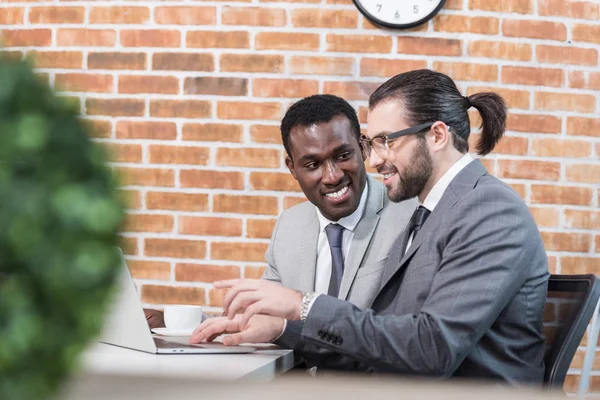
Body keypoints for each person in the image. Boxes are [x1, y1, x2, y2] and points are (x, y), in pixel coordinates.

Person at [190, 69, 550, 385]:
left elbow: (432, 351)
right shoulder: (432, 214)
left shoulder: (489, 210)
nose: (375, 159)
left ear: (437, 136)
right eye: (373, 144)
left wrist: (303, 304)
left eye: (386, 142)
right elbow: (383, 345)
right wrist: (285, 329)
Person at [144, 94, 416, 328]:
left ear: (362, 148)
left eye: (343, 156)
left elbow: (409, 329)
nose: (332, 176)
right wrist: (179, 325)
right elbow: (260, 318)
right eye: (312, 165)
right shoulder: (289, 225)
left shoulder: (409, 216)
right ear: (292, 168)